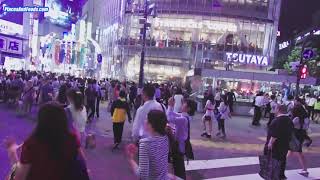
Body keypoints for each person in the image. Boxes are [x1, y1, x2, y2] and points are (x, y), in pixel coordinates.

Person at [5, 102, 88, 180]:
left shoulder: (32, 143)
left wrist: (12, 154)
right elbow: (83, 161)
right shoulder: (71, 138)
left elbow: (20, 177)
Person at [126, 110, 170, 180]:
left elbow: (142, 175)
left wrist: (130, 159)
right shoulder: (166, 138)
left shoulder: (145, 143)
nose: (145, 121)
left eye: (147, 119)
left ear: (152, 125)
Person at [167, 98, 197, 179]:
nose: (181, 105)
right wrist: (171, 107)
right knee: (179, 167)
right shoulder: (184, 116)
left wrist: (170, 105)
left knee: (178, 168)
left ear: (188, 108)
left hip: (179, 147)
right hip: (180, 146)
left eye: (184, 104)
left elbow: (169, 118)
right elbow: (173, 114)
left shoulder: (183, 119)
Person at [264, 104, 293, 180]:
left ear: (278, 110)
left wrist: (270, 143)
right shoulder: (289, 120)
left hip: (276, 144)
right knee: (283, 159)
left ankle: (274, 176)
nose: (275, 110)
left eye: (276, 108)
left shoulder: (277, 120)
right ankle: (281, 175)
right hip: (285, 143)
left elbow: (275, 134)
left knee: (275, 159)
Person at [287, 98, 310, 175]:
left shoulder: (296, 119)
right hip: (302, 135)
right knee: (291, 151)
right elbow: (306, 127)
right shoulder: (306, 118)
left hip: (295, 136)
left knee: (298, 152)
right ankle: (281, 164)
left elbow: (290, 126)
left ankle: (305, 170)